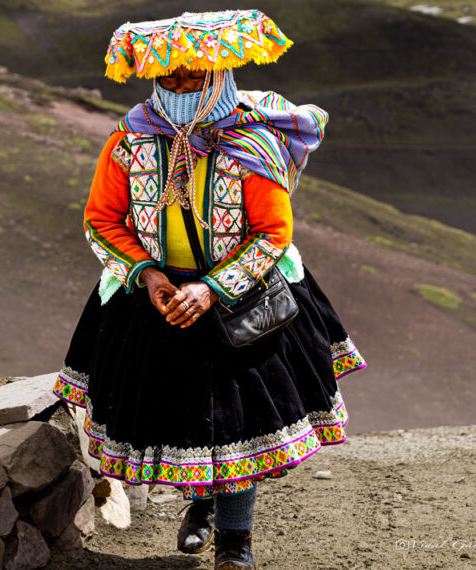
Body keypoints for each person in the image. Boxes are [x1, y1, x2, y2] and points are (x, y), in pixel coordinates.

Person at [52, 10, 367, 569]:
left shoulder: (252, 141)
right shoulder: (129, 140)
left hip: (243, 298)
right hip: (154, 301)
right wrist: (150, 276)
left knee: (238, 428)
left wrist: (212, 290)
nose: (178, 88)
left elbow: (273, 232)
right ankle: (199, 507)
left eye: (192, 77)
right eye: (168, 78)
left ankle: (236, 542)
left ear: (218, 77)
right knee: (183, 418)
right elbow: (102, 220)